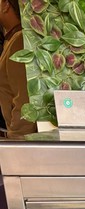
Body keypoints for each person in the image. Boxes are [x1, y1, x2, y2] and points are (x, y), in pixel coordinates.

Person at [0, 0, 36, 138]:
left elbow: (24, 98)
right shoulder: (14, 39)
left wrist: (16, 138)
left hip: (21, 138)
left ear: (6, 5)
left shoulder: (20, 40)